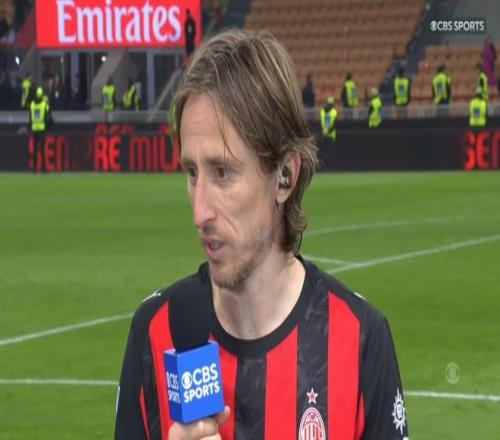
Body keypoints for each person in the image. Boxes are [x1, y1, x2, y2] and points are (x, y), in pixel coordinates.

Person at [115, 30, 409, 440]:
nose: (200, 212)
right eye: (192, 173)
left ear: (284, 176)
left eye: (222, 172)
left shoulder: (360, 338)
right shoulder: (156, 331)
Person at [29, 86, 50, 173]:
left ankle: (34, 168)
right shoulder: (44, 104)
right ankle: (43, 168)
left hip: (34, 129)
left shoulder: (32, 104)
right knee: (42, 150)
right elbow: (48, 112)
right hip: (41, 128)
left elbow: (30, 117)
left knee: (34, 150)